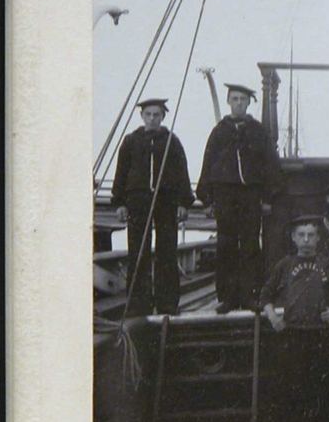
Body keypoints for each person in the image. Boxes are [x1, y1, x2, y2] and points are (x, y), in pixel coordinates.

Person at [260, 215, 329, 422]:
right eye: (302, 235)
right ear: (293, 237)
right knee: (290, 395)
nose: (307, 240)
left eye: (311, 235)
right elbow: (265, 295)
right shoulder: (285, 265)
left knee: (321, 392)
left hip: (321, 336)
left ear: (319, 238)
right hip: (293, 336)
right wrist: (272, 318)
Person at [196, 83, 277, 314]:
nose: (239, 103)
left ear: (249, 102)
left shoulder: (258, 131)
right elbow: (208, 162)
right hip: (225, 194)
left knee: (250, 245)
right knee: (226, 244)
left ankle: (251, 296)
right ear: (228, 102)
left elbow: (270, 164)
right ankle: (228, 297)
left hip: (250, 193)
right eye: (235, 99)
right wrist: (207, 199)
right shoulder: (220, 131)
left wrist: (268, 197)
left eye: (243, 99)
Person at [113, 97, 194, 316]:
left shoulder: (171, 141)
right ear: (142, 116)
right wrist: (119, 202)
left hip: (165, 200)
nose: (152, 119)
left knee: (167, 251)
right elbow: (121, 173)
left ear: (163, 117)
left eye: (156, 115)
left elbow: (182, 173)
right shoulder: (131, 141)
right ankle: (138, 304)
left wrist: (184, 203)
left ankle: (167, 302)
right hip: (138, 200)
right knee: (138, 250)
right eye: (148, 114)